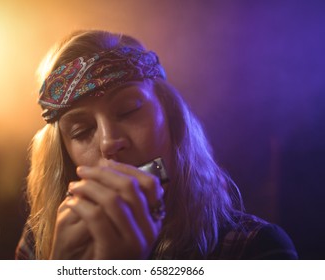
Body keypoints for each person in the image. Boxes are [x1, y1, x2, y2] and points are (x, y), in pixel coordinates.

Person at [15, 30, 298, 260]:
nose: (109, 142)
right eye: (82, 131)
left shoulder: (256, 249)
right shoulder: (38, 243)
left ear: (171, 117)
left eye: (129, 110)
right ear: (66, 155)